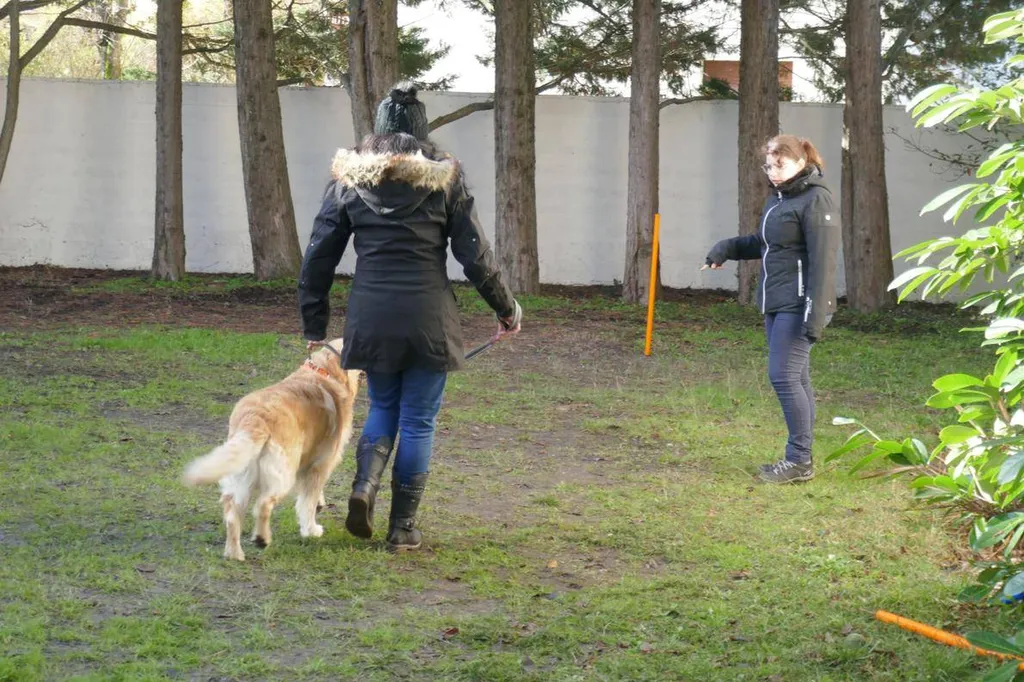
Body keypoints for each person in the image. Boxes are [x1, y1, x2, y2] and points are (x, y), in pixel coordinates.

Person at [298, 83, 522, 550]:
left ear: (378, 132)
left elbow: (319, 255)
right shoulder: (446, 180)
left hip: (372, 314)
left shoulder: (348, 182)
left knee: (382, 407)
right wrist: (506, 309)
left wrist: (315, 324)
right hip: (428, 316)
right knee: (418, 420)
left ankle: (363, 488)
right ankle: (402, 529)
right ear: (423, 135)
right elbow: (475, 256)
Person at [703, 134, 839, 484]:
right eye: (769, 164)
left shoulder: (816, 199)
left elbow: (823, 263)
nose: (773, 171)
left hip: (799, 304)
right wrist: (726, 248)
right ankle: (800, 459)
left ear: (800, 162)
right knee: (797, 377)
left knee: (783, 376)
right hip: (776, 303)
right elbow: (765, 244)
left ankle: (798, 461)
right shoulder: (779, 200)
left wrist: (816, 313)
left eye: (780, 164)